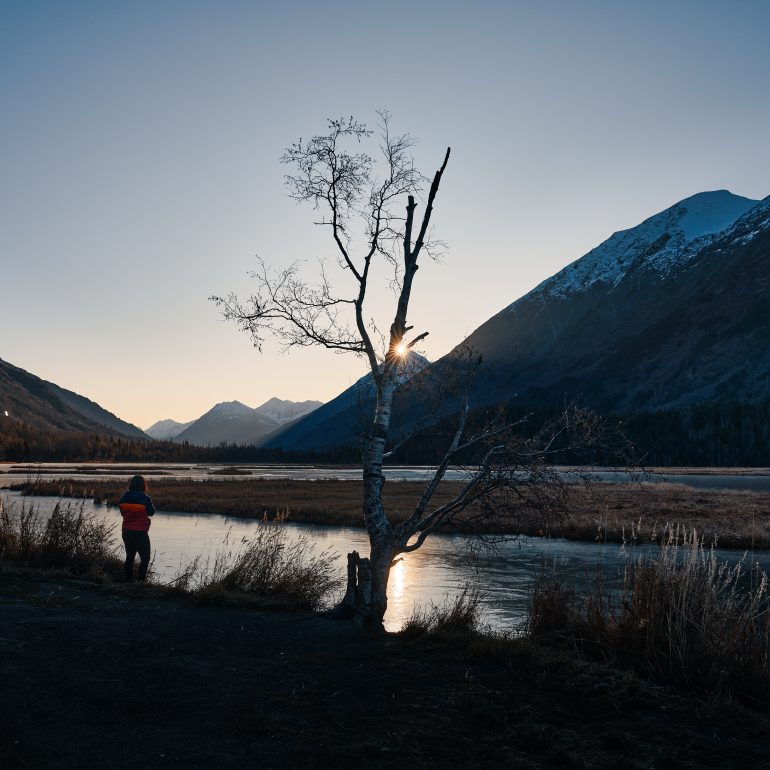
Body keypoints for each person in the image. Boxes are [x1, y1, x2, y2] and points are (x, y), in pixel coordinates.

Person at [119, 475, 156, 582]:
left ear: (131, 484)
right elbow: (152, 512)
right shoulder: (145, 498)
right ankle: (141, 581)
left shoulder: (124, 497)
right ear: (143, 485)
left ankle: (128, 580)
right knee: (145, 558)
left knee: (129, 557)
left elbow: (123, 513)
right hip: (140, 532)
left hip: (126, 531)